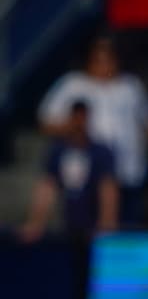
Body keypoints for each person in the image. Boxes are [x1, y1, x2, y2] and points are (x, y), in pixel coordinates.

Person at [38, 36, 148, 227]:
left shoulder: (130, 87)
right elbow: (46, 122)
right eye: (99, 60)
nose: (105, 65)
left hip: (128, 173)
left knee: (127, 233)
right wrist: (74, 126)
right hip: (90, 179)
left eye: (109, 59)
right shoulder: (72, 85)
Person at [21, 100, 118, 242]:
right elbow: (47, 187)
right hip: (67, 218)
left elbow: (107, 189)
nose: (78, 123)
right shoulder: (58, 151)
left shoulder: (100, 152)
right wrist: (36, 222)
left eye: (82, 118)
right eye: (75, 118)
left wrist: (107, 223)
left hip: (93, 220)